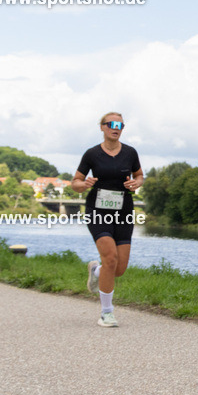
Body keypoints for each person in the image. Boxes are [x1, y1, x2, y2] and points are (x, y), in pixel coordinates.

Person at [71, 112, 143, 327]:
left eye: (120, 124)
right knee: (110, 259)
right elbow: (75, 181)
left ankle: (96, 271)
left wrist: (137, 182)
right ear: (102, 127)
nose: (116, 127)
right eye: (111, 124)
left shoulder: (130, 153)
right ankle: (106, 313)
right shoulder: (92, 154)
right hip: (98, 211)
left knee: (118, 268)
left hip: (123, 212)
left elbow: (139, 175)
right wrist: (82, 185)